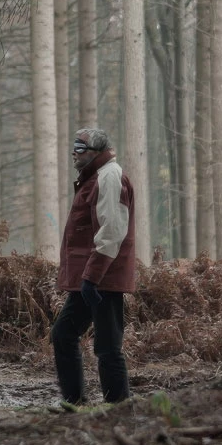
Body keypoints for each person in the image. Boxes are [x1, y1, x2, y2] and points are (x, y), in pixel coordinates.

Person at [51, 127, 135, 405]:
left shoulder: (110, 177)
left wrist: (92, 277)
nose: (74, 153)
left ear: (96, 152)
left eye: (80, 147)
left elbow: (112, 230)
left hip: (102, 277)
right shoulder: (96, 178)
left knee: (108, 346)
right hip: (92, 276)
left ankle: (118, 407)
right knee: (64, 334)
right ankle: (74, 404)